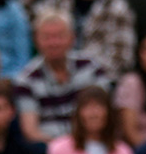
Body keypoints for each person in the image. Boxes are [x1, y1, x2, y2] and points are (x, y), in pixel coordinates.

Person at [12, 9, 110, 144]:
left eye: (59, 36)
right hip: (50, 150)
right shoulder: (25, 80)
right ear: (36, 41)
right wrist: (64, 150)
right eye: (47, 37)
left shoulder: (91, 68)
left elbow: (105, 115)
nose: (54, 43)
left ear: (72, 38)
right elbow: (31, 131)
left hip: (92, 142)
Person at [20, 0, 133, 82]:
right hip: (55, 84)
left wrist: (88, 79)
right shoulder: (57, 1)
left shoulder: (116, 7)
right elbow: (19, 19)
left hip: (98, 85)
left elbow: (121, 60)